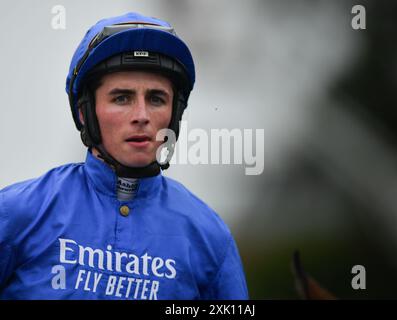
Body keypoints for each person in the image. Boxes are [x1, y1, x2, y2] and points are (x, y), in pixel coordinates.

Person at [0, 12, 249, 300]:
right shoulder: (16, 214)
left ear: (174, 115)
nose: (141, 116)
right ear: (85, 112)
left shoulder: (210, 237)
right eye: (122, 98)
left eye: (156, 99)